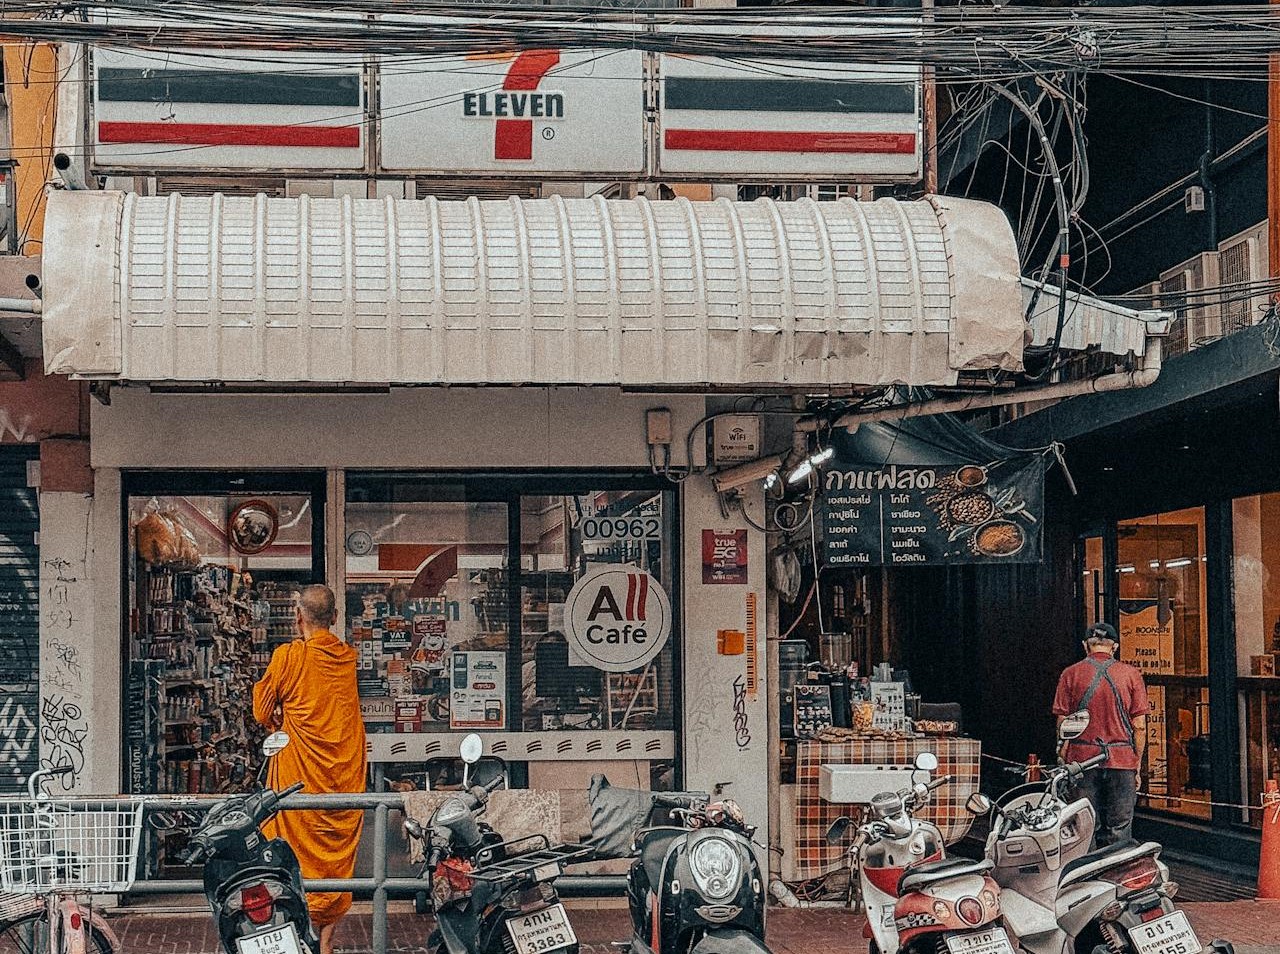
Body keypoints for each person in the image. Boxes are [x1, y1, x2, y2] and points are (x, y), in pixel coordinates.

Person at [253, 584, 368, 954]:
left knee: (294, 854)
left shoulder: (288, 656)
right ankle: (327, 945)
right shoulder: (346, 657)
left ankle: (295, 933)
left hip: (300, 776)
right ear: (334, 618)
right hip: (342, 775)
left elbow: (260, 710)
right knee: (336, 862)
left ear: (297, 616)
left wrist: (281, 722)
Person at [1052, 621, 1149, 847]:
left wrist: (1063, 755)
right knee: (1120, 826)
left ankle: (1086, 876)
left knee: (1084, 826)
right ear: (1114, 647)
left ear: (1086, 645)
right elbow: (1140, 726)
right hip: (1122, 758)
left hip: (1082, 759)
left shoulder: (1070, 674)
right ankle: (1115, 873)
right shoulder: (1131, 674)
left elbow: (1062, 723)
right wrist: (1137, 764)